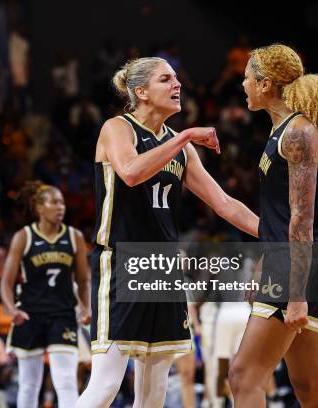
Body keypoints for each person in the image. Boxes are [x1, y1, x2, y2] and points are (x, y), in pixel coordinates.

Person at [75, 56, 259, 407]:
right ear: (141, 91)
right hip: (122, 264)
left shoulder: (180, 146)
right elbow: (129, 172)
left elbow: (223, 202)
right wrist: (187, 135)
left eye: (176, 78)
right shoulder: (118, 128)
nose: (178, 85)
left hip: (163, 270)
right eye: (166, 79)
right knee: (105, 387)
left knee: (154, 391)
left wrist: (274, 232)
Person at [229, 43, 318, 406]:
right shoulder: (284, 131)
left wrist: (295, 295)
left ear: (265, 84)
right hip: (301, 263)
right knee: (310, 388)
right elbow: (280, 217)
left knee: (244, 377)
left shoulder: (298, 134)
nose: (243, 85)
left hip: (298, 267)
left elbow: (301, 220)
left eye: (247, 78)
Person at [0, 181, 91, 408]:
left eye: (62, 203)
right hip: (30, 314)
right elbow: (6, 283)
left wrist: (87, 307)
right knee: (29, 384)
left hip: (63, 315)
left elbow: (83, 280)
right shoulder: (24, 237)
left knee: (67, 381)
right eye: (54, 202)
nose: (61, 207)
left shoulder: (74, 237)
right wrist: (12, 310)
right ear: (40, 208)